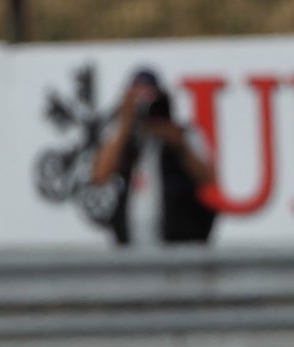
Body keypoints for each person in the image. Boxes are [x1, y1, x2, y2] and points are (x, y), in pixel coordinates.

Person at [90, 68, 217, 245]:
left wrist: (176, 143)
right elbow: (99, 176)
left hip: (177, 241)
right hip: (131, 245)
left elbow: (208, 179)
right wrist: (125, 123)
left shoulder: (183, 134)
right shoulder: (123, 138)